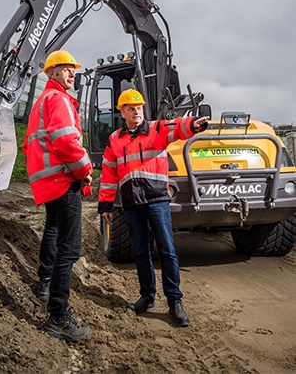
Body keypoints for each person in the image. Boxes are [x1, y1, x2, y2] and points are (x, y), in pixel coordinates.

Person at [98, 89, 209, 327]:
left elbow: (178, 126)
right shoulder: (114, 139)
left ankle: (175, 303)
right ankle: (147, 298)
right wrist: (106, 204)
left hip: (157, 200)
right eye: (131, 108)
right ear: (122, 112)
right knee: (141, 252)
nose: (136, 111)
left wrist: (194, 124)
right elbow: (108, 174)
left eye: (139, 107)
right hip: (130, 203)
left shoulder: (157, 129)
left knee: (167, 251)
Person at [22, 49, 93, 342]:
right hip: (64, 181)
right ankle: (58, 317)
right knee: (70, 249)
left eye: (72, 69)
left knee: (52, 230)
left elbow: (30, 146)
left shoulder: (41, 102)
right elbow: (65, 141)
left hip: (48, 184)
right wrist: (85, 170)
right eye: (65, 69)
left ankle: (46, 283)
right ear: (51, 73)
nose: (72, 73)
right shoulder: (60, 100)